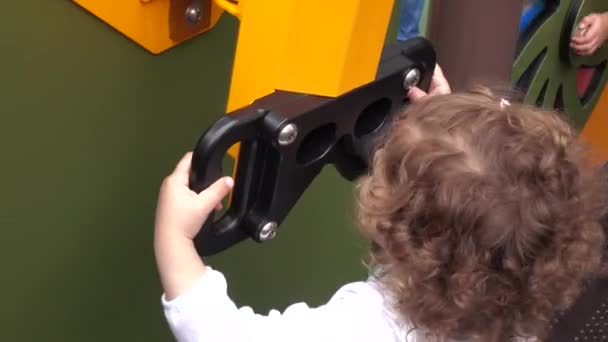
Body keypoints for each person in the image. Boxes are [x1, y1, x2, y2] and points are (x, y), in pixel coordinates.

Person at [154, 66, 607, 341]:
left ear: (400, 230)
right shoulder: (518, 313)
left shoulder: (368, 329)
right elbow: (485, 199)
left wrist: (175, 242)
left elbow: (225, 337)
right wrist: (443, 133)